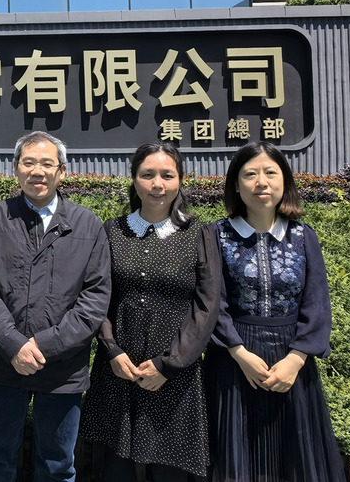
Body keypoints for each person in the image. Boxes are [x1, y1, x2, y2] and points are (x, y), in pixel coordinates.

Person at [0, 131, 111, 481]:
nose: (37, 171)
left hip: (63, 368)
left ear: (62, 172)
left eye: (47, 163)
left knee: (58, 464)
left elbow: (94, 298)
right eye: (29, 162)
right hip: (4, 363)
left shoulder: (87, 224)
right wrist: (13, 344)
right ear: (16, 169)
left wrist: (44, 345)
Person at [204, 141, 345, 482]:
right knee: (235, 458)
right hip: (233, 362)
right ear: (236, 185)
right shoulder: (216, 235)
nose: (261, 182)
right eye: (250, 174)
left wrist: (296, 359)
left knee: (296, 460)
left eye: (270, 172)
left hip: (292, 361)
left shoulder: (303, 236)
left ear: (285, 182)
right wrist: (239, 353)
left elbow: (316, 303)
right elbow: (211, 302)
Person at [80, 142, 220, 481]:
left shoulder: (198, 234)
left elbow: (207, 305)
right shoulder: (112, 231)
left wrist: (169, 364)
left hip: (176, 374)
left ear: (180, 180)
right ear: (134, 179)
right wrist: (112, 350)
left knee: (171, 470)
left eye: (167, 175)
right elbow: (96, 296)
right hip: (119, 370)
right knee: (115, 470)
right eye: (148, 175)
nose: (157, 184)